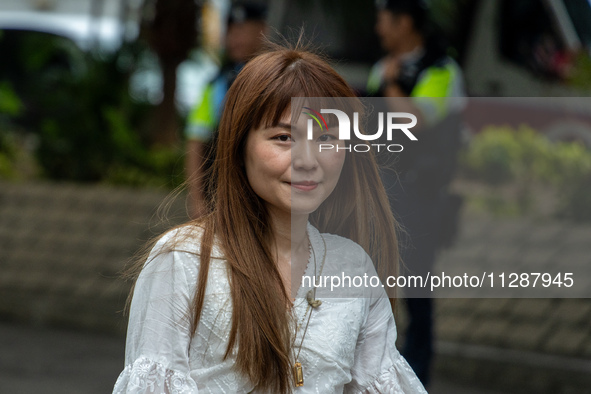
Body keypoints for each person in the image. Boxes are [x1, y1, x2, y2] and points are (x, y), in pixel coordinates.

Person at [113, 44, 428, 393]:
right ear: (239, 144)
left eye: (326, 137)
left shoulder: (352, 267)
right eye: (283, 137)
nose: (308, 160)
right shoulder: (184, 260)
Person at [368, 0, 466, 387]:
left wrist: (391, 83)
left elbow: (416, 120)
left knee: (416, 287)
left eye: (383, 19)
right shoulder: (383, 66)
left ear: (404, 22)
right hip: (384, 191)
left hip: (422, 195)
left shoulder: (440, 70)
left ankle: (417, 374)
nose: (378, 28)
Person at [185, 2, 267, 218]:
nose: (235, 38)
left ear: (263, 31)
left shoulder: (279, 82)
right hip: (222, 199)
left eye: (243, 30)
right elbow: (196, 142)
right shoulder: (215, 85)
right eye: (230, 31)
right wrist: (198, 201)